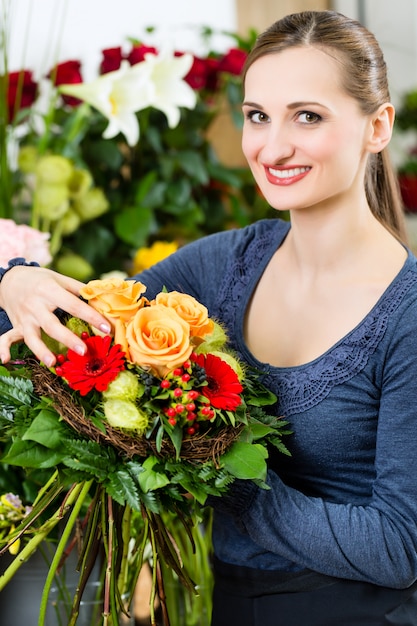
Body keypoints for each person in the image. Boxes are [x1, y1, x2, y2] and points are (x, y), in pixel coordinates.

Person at [1, 9, 417, 625]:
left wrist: (212, 466)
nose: (273, 147)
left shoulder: (406, 314)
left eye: (308, 116)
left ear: (377, 126)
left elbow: (399, 547)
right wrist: (17, 280)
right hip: (228, 604)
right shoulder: (229, 262)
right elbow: (81, 329)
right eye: (257, 116)